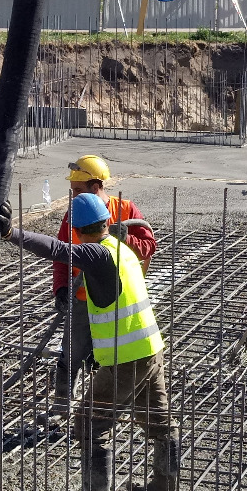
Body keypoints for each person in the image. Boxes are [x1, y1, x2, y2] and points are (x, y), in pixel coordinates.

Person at [1, 192, 177, 491]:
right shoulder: (122, 250)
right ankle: (165, 486)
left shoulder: (98, 255)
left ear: (78, 232)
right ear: (107, 221)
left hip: (126, 359)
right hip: (151, 350)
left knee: (88, 424)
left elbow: (56, 250)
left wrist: (12, 233)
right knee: (159, 421)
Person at [50, 155, 158, 411]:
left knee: (113, 361)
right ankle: (61, 408)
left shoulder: (125, 210)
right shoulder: (74, 213)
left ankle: (106, 410)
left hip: (116, 303)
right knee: (70, 356)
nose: (74, 196)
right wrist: (61, 287)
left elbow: (149, 247)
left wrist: (128, 240)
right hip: (82, 298)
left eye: (78, 190)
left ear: (96, 186)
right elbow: (61, 255)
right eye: (72, 191)